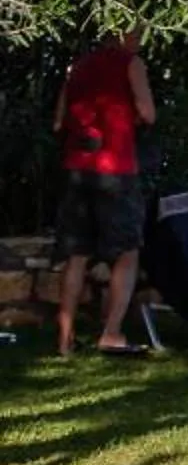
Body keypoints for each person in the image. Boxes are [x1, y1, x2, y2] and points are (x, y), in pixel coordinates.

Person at [51, 31, 157, 357]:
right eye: (137, 33)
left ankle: (65, 340)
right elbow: (149, 113)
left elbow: (58, 123)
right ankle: (111, 333)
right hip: (115, 168)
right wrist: (133, 119)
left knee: (77, 254)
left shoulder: (78, 67)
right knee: (127, 251)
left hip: (76, 168)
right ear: (122, 34)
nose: (140, 40)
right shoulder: (131, 64)